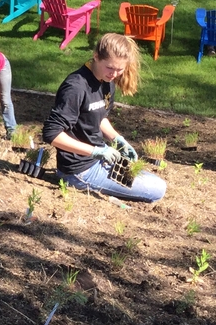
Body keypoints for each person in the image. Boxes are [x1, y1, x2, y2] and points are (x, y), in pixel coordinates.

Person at [42, 32, 165, 203]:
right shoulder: (75, 87)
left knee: (151, 180)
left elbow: (98, 116)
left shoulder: (106, 81)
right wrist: (96, 152)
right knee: (156, 189)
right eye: (110, 68)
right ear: (96, 57)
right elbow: (51, 134)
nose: (114, 74)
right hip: (78, 171)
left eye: (119, 69)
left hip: (97, 161)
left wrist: (117, 139)